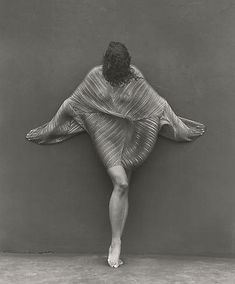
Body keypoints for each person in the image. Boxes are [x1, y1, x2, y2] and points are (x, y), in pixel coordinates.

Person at [26, 41, 206, 268]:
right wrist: (48, 129)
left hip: (130, 137)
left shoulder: (134, 76)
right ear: (108, 62)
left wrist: (181, 128)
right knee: (120, 183)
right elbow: (72, 103)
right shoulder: (95, 76)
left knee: (123, 188)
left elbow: (157, 104)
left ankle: (116, 241)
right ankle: (115, 243)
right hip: (105, 136)